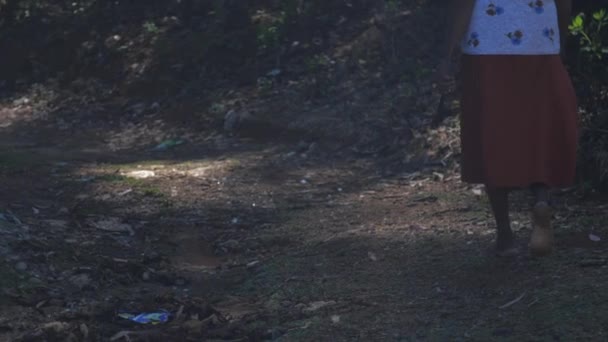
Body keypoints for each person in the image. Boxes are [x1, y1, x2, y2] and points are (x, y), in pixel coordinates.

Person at [435, 0, 577, 256]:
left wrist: (446, 55)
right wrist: (560, 41)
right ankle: (541, 201)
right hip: (540, 45)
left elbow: (464, 5)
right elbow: (564, 4)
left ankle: (505, 236)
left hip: (487, 48)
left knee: (492, 132)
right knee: (538, 129)